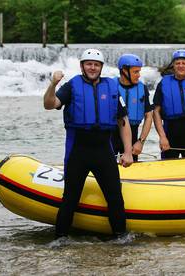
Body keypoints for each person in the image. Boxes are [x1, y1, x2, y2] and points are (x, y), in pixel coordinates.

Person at [43, 49, 133, 238]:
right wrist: (53, 84)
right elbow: (49, 104)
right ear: (82, 66)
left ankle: (121, 240)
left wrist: (128, 151)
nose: (92, 67)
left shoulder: (111, 88)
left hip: (103, 151)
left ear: (101, 67)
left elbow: (123, 122)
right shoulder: (71, 86)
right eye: (89, 64)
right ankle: (60, 240)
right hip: (78, 151)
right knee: (70, 199)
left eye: (96, 64)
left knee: (115, 198)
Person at [112, 54, 153, 162]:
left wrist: (140, 141)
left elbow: (149, 116)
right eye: (136, 72)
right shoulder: (110, 86)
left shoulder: (142, 88)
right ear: (124, 71)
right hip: (111, 136)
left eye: (139, 71)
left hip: (133, 137)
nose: (139, 75)